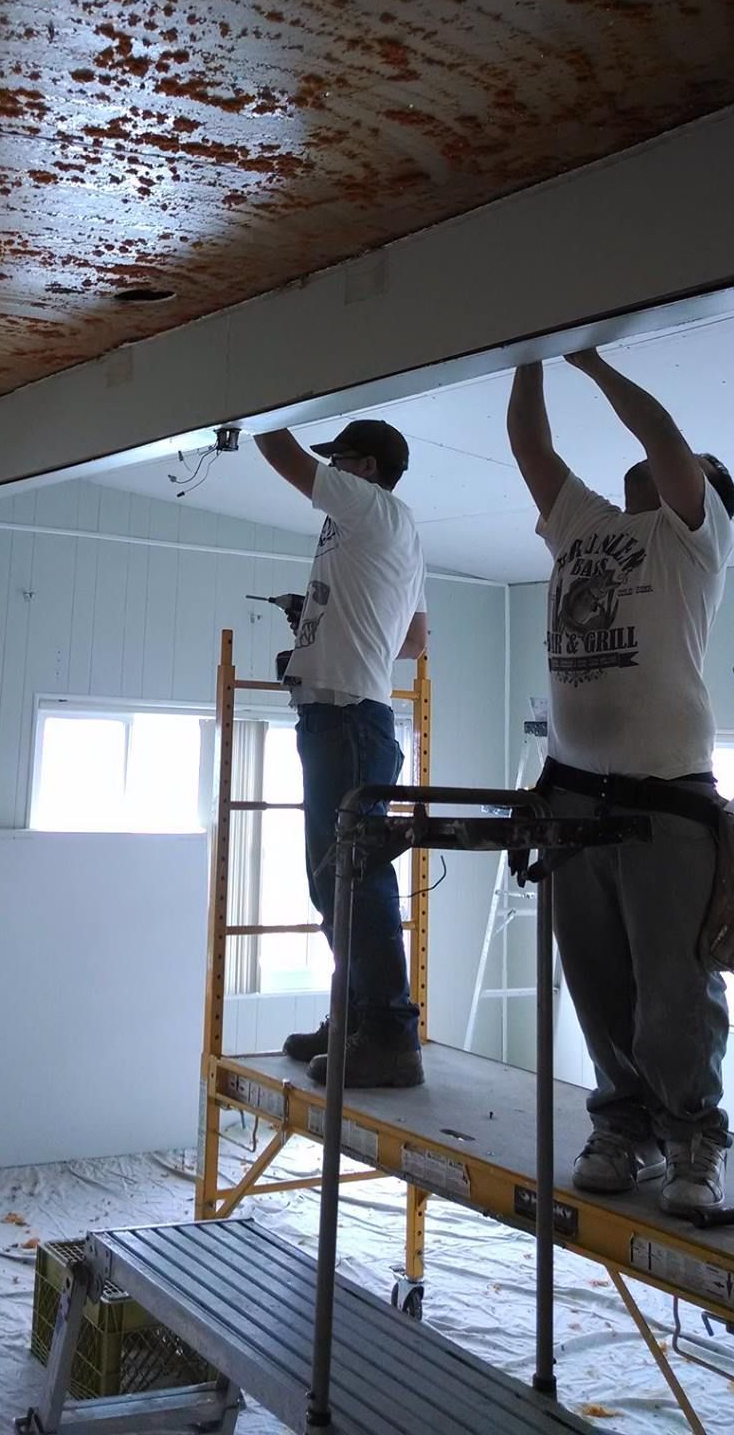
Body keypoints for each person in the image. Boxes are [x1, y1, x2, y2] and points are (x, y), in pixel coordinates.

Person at [507, 349, 734, 1214]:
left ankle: (693, 1139)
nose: (672, 464)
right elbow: (531, 448)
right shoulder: (585, 522)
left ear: (706, 495)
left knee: (673, 987)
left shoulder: (692, 538)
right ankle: (624, 1128)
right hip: (573, 796)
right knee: (596, 979)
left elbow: (663, 436)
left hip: (664, 800)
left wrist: (588, 356)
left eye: (695, 468)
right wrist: (526, 354)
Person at [254, 419, 428, 1088]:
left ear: (368, 468)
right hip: (344, 716)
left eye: (342, 461)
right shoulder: (393, 531)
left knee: (355, 880)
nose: (333, 471)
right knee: (334, 881)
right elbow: (414, 642)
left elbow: (279, 450)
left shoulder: (371, 505)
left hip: (350, 720)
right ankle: (357, 1018)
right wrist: (328, 634)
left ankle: (388, 1035)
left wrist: (243, 395)